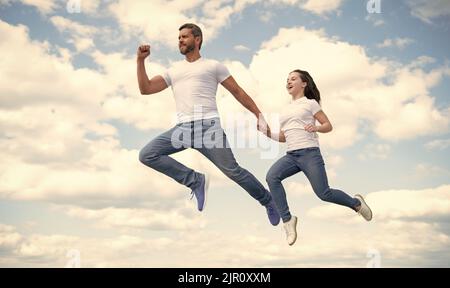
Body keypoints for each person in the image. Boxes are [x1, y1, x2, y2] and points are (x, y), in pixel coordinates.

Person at [137, 23, 280, 226]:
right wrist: (140, 61)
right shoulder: (173, 70)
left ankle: (268, 201)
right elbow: (146, 88)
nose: (180, 41)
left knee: (233, 171)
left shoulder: (213, 66)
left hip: (208, 127)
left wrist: (259, 115)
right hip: (183, 129)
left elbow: (238, 92)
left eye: (184, 37)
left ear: (198, 39)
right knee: (147, 155)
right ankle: (195, 180)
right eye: (179, 38)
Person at [259, 69, 372, 245]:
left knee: (324, 193)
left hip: (310, 153)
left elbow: (328, 125)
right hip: (291, 156)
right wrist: (267, 133)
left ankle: (356, 203)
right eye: (287, 79)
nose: (288, 82)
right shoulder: (285, 109)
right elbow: (284, 137)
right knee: (272, 177)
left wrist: (317, 128)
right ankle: (288, 221)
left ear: (303, 83)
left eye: (293, 79)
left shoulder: (310, 104)